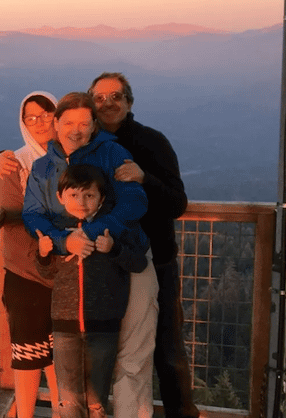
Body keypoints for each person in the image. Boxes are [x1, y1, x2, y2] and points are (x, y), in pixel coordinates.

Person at [21, 91, 154, 416]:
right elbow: (32, 214)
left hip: (125, 261)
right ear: (57, 123)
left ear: (94, 124)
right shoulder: (43, 167)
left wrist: (90, 233)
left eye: (84, 122)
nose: (76, 129)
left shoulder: (112, 153)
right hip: (76, 286)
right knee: (78, 388)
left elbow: (134, 202)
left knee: (130, 360)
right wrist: (64, 242)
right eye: (69, 122)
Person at [89, 72, 196, 418]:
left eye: (115, 96)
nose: (108, 103)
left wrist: (143, 178)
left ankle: (181, 412)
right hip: (104, 264)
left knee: (166, 348)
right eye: (100, 97)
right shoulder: (86, 146)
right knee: (107, 348)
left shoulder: (152, 142)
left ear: (129, 102)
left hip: (157, 262)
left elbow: (178, 203)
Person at [35, 164, 148, 418]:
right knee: (69, 397)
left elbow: (139, 263)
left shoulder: (113, 230)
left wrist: (114, 249)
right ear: (60, 197)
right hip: (64, 326)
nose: (81, 202)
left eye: (89, 195)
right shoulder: (56, 231)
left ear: (102, 199)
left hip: (104, 326)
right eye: (73, 195)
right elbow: (46, 273)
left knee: (97, 399)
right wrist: (43, 253)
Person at [0, 91, 60, 418]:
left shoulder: (74, 158)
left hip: (65, 276)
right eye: (30, 118)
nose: (39, 122)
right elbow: (10, 209)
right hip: (26, 275)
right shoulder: (14, 161)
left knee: (63, 358)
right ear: (23, 123)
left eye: (46, 114)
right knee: (29, 356)